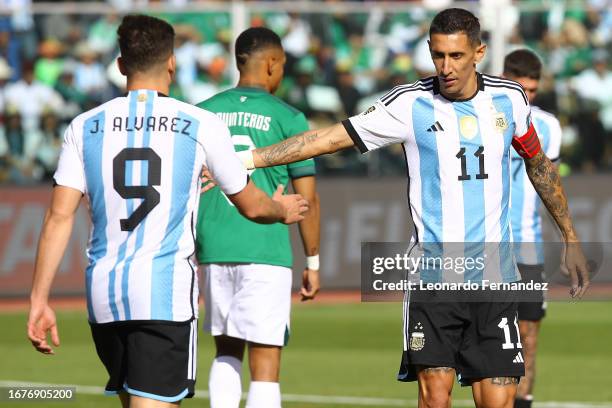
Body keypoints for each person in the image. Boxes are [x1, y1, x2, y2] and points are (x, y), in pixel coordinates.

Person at [236, 8, 589, 408]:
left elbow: (538, 164)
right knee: (435, 398)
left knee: (499, 401)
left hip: (495, 277)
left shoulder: (510, 100)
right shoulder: (409, 104)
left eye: (456, 56)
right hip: (433, 278)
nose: (446, 66)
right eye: (438, 55)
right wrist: (249, 159)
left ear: (479, 52)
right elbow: (331, 138)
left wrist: (570, 236)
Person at [26, 14, 308, 408]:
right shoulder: (199, 124)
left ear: (121, 65)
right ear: (172, 62)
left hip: (104, 296)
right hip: (164, 295)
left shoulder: (83, 126)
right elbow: (250, 204)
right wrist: (280, 209)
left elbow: (58, 217)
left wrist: (39, 299)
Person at [195, 27, 321, 408]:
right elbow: (307, 200)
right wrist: (312, 261)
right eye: (281, 65)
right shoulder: (289, 117)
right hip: (264, 247)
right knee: (265, 359)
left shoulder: (202, 112)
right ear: (271, 63)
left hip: (214, 245)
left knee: (226, 350)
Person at [503, 49, 562, 408]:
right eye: (520, 88)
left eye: (533, 90)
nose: (527, 97)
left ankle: (523, 402)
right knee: (485, 339)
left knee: (528, 334)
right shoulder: (482, 114)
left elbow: (550, 185)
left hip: (528, 246)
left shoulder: (548, 126)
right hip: (485, 245)